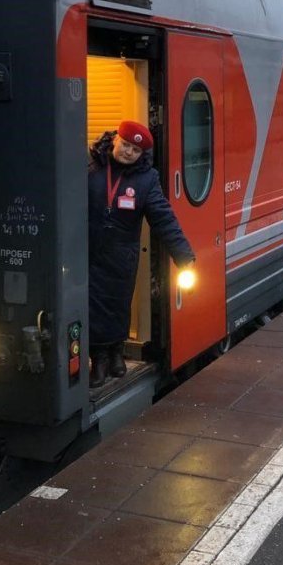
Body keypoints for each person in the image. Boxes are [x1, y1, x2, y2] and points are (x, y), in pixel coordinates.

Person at [88, 120, 194, 388]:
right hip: (88, 252)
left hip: (122, 254)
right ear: (115, 140)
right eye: (125, 145)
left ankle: (116, 352)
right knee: (94, 304)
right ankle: (98, 358)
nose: (127, 152)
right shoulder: (91, 167)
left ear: (141, 154)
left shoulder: (146, 179)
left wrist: (184, 257)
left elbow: (163, 218)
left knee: (119, 303)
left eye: (135, 150)